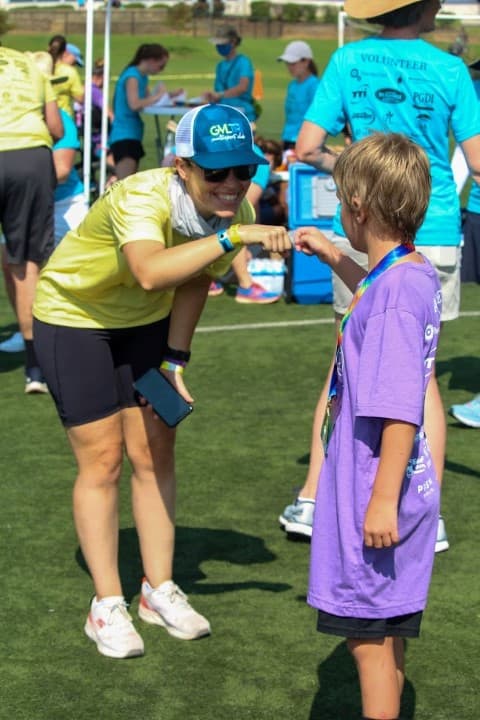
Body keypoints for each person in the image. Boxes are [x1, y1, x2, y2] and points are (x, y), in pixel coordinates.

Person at [32, 104, 291, 659]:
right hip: (75, 318)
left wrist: (175, 360)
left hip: (146, 325)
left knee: (155, 453)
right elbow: (151, 270)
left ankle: (158, 590)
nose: (230, 184)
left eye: (241, 171)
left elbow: (194, 282)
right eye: (215, 172)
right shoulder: (142, 196)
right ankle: (106, 604)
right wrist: (236, 235)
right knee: (102, 461)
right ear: (182, 166)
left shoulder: (233, 208)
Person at [280, 0, 480, 554]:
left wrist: (355, 170)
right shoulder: (450, 69)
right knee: (423, 372)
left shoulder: (346, 60)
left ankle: (313, 499)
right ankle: (427, 512)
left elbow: (307, 148)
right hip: (433, 226)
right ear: (424, 9)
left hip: (364, 227)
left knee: (345, 357)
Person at [293, 132, 441, 720]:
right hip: (383, 484)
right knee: (387, 630)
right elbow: (375, 294)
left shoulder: (400, 296)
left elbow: (401, 404)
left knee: (369, 640)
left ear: (359, 206)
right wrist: (336, 257)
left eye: (339, 199)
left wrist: (380, 502)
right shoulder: (407, 271)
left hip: (375, 490)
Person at [0, 46, 62, 390]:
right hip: (30, 157)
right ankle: (35, 368)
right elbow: (54, 126)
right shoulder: (29, 62)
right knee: (27, 266)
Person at [109, 43, 183, 180]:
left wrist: (169, 95)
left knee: (130, 181)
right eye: (161, 66)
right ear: (150, 60)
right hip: (124, 134)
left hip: (133, 133)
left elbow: (148, 100)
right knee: (124, 182)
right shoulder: (132, 76)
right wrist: (159, 96)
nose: (161, 70)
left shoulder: (142, 77)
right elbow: (135, 104)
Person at [204, 26, 256, 123]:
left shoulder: (243, 62)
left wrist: (220, 94)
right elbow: (218, 91)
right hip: (222, 113)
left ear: (233, 42)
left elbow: (242, 87)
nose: (219, 47)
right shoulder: (220, 66)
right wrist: (212, 96)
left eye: (222, 43)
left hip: (241, 112)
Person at [276, 40, 319, 151]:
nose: (289, 67)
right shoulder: (292, 85)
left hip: (304, 142)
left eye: (293, 63)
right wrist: (283, 139)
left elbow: (315, 118)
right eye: (288, 63)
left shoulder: (315, 86)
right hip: (288, 140)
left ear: (306, 62)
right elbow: (290, 117)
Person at [47, 35, 84, 118]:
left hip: (42, 117)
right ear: (65, 53)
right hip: (63, 118)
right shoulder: (70, 72)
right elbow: (80, 98)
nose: (74, 66)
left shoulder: (39, 66)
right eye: (74, 63)